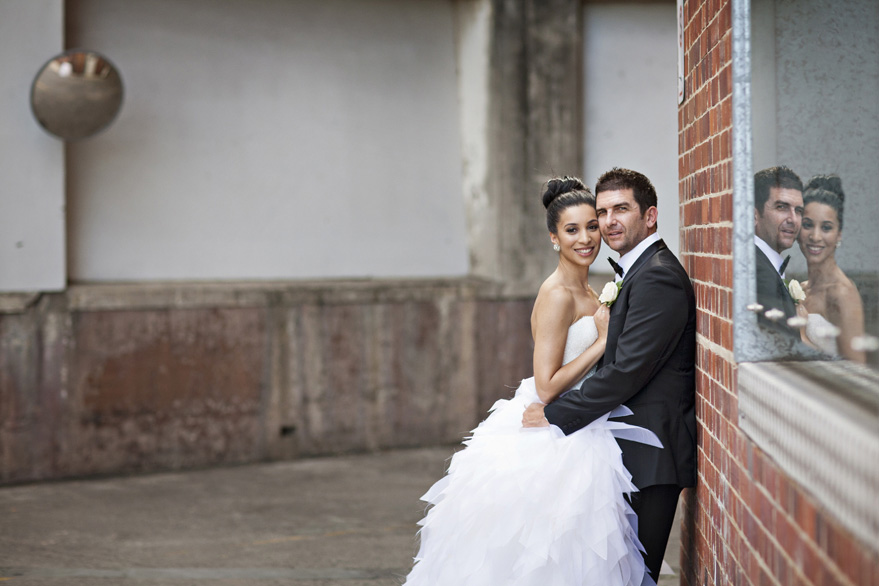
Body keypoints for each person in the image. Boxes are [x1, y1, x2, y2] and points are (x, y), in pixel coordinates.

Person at [403, 177, 660, 586]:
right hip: (555, 430)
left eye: (592, 226)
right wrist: (601, 344)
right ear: (554, 239)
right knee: (543, 551)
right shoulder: (557, 293)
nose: (586, 238)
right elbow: (545, 385)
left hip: (587, 423)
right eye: (571, 230)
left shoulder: (592, 291)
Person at [523, 167, 696, 582]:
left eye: (621, 208)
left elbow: (628, 371)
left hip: (652, 453)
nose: (607, 222)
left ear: (650, 216)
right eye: (603, 211)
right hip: (618, 447)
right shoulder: (634, 272)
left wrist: (556, 414)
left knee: (633, 576)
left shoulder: (656, 275)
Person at [797, 175, 866, 363]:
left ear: (839, 235)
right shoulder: (802, 289)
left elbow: (856, 376)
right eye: (808, 225)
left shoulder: (842, 294)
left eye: (826, 228)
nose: (815, 236)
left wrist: (801, 337)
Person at [752, 166, 804, 336]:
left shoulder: (761, 263)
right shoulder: (759, 274)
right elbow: (782, 354)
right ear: (754, 216)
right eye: (782, 207)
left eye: (798, 210)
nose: (793, 219)